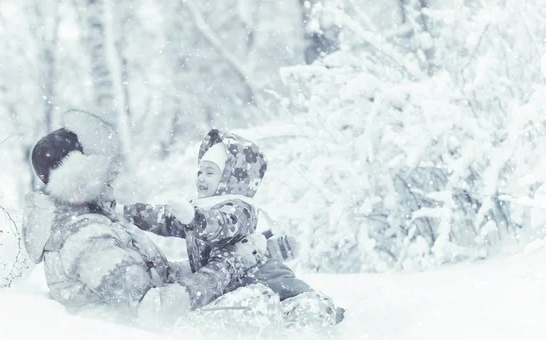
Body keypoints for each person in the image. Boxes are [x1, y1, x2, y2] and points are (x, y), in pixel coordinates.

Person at [123, 129, 345, 328]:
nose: (201, 177)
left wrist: (194, 219)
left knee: (296, 307)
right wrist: (127, 211)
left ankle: (314, 320)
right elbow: (164, 218)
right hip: (239, 284)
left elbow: (221, 225)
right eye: (200, 171)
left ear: (230, 177)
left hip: (267, 282)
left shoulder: (239, 209)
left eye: (210, 172)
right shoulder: (201, 208)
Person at [22, 110, 173, 323]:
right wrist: (221, 275)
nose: (114, 171)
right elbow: (151, 307)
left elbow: (164, 278)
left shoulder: (98, 219)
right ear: (79, 176)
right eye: (102, 165)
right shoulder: (85, 238)